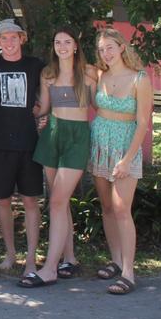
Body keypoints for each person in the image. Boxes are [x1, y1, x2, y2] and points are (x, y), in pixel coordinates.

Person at [18, 27, 97, 287]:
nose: (61, 46)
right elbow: (45, 110)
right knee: (58, 201)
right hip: (52, 135)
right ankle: (69, 257)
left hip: (77, 137)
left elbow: (101, 105)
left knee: (58, 201)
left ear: (76, 45)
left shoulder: (89, 72)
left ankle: (50, 268)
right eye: (57, 42)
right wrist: (28, 110)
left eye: (67, 41)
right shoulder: (48, 74)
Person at [88, 28, 152, 295]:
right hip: (100, 146)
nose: (106, 53)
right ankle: (115, 260)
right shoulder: (99, 75)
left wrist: (126, 160)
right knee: (106, 206)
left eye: (110, 47)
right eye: (102, 49)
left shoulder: (140, 79)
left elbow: (142, 123)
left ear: (122, 47)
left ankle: (128, 272)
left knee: (122, 209)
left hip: (125, 149)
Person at [0, 18, 44, 276]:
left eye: (13, 37)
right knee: (3, 200)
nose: (8, 42)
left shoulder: (36, 65)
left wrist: (44, 111)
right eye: (3, 38)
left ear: (22, 38)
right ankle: (10, 253)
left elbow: (48, 96)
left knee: (30, 200)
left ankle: (30, 257)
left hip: (29, 143)